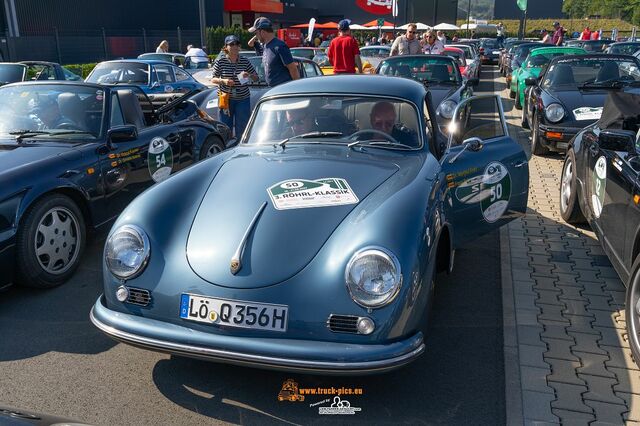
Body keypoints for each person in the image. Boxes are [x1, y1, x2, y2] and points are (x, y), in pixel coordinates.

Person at [210, 35, 258, 138]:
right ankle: (227, 148)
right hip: (226, 99)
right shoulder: (221, 61)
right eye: (232, 44)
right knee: (225, 128)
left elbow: (256, 78)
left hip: (243, 99)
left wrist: (249, 75)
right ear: (226, 47)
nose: (235, 46)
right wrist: (224, 81)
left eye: (237, 44)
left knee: (243, 127)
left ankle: (241, 149)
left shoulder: (245, 61)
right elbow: (213, 79)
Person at [249, 17, 299, 87]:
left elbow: (293, 68)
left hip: (283, 90)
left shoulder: (280, 46)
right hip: (272, 90)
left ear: (263, 32)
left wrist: (296, 88)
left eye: (256, 33)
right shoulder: (265, 46)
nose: (256, 36)